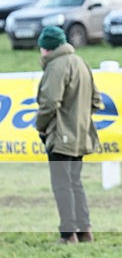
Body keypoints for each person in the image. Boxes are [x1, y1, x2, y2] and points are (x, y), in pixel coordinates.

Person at [35, 25, 102, 243]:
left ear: (47, 48)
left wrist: (41, 126)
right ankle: (85, 231)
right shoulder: (80, 62)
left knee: (62, 185)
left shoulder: (56, 66)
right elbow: (96, 100)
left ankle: (68, 235)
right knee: (75, 183)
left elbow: (49, 102)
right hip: (80, 135)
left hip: (61, 135)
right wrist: (79, 120)